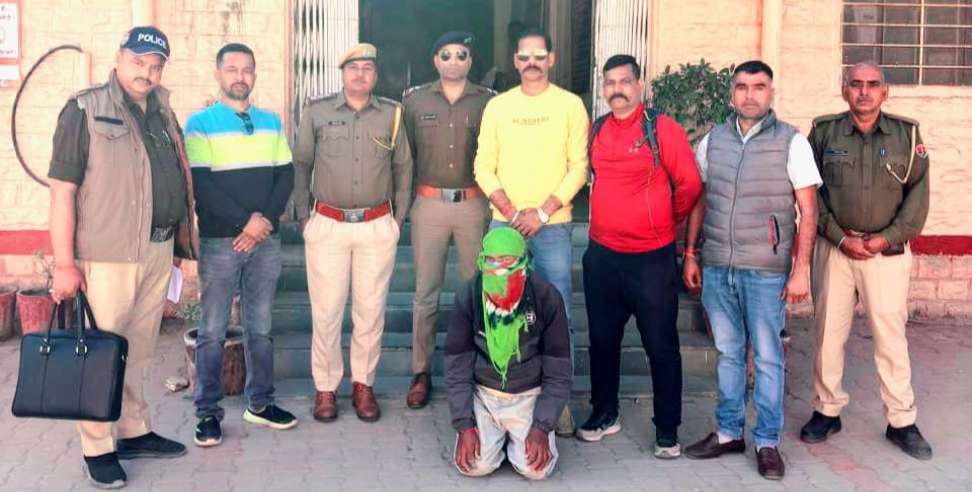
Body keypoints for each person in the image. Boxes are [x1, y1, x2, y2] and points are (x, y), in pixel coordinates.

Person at [48, 26, 197, 489]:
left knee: (139, 350)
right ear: (118, 58)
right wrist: (64, 263)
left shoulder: (163, 112)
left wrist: (179, 250)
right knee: (100, 353)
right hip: (107, 257)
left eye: (155, 66)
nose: (146, 73)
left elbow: (175, 180)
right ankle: (98, 447)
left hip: (157, 250)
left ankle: (133, 430)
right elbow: (62, 190)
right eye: (138, 62)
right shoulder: (84, 109)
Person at [682, 61, 821, 480]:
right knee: (728, 353)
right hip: (718, 266)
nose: (749, 94)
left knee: (767, 357)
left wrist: (801, 269)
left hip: (765, 270)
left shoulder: (792, 142)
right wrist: (691, 252)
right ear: (732, 93)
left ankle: (766, 442)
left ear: (771, 92)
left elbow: (809, 210)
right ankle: (728, 433)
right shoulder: (713, 141)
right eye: (742, 86)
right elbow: (701, 198)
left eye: (759, 87)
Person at [800, 61, 932, 460]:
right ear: (845, 90)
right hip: (835, 250)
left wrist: (884, 239)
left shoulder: (907, 135)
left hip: (886, 255)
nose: (864, 91)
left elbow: (917, 199)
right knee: (828, 334)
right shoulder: (824, 133)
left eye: (872, 84)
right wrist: (840, 238)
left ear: (884, 91)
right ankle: (827, 410)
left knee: (890, 338)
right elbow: (810, 193)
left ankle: (901, 420)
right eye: (856, 84)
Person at [576, 55, 703, 459]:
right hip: (602, 257)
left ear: (640, 85)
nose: (617, 89)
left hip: (650, 259)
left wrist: (666, 221)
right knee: (602, 341)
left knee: (660, 345)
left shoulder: (661, 128)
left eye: (625, 81)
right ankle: (604, 412)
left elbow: (690, 184)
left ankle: (667, 430)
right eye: (610, 82)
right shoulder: (597, 129)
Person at [473, 27, 589, 435]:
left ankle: (559, 405)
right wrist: (509, 210)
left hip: (552, 227)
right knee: (500, 313)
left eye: (539, 55)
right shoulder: (498, 107)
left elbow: (579, 166)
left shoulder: (570, 105)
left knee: (558, 315)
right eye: (524, 56)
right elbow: (483, 165)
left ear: (551, 59)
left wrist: (542, 211)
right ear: (515, 61)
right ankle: (501, 400)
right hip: (505, 226)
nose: (532, 63)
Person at [292, 43, 413, 423]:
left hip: (376, 226)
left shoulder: (392, 114)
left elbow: (403, 169)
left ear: (375, 75)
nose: (360, 75)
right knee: (326, 313)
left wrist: (397, 220)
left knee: (370, 313)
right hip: (328, 225)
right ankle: (326, 388)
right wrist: (303, 216)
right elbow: (301, 164)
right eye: (353, 68)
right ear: (342, 73)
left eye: (367, 69)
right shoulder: (317, 111)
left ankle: (364, 385)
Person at [185, 43, 297, 447]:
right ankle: (207, 414)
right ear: (218, 74)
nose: (240, 76)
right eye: (231, 69)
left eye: (247, 69)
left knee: (260, 326)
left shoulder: (271, 122)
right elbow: (202, 186)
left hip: (265, 241)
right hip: (221, 242)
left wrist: (264, 221)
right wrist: (245, 223)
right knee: (213, 329)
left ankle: (260, 403)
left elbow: (286, 176)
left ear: (255, 74)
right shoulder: (200, 123)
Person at [402, 31, 495, 409]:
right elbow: (404, 157)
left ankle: (474, 368)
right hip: (429, 205)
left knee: (475, 291)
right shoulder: (414, 101)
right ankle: (421, 372)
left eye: (461, 55)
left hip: (473, 205)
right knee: (426, 293)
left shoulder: (488, 102)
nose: (454, 61)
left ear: (470, 61)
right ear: (435, 61)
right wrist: (403, 206)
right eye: (446, 55)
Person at [445, 227, 572, 480]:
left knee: (536, 470)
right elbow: (457, 364)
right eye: (491, 261)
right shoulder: (470, 294)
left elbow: (558, 369)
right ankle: (496, 436)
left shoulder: (546, 297)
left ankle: (511, 438)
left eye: (507, 261)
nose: (499, 270)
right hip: (485, 395)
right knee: (474, 466)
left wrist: (541, 426)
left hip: (528, 395)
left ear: (523, 264)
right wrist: (464, 425)